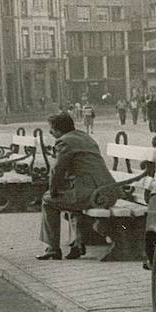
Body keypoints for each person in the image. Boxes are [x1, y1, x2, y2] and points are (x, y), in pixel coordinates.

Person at [36, 112, 114, 261]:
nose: (50, 132)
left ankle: (53, 248)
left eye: (51, 129)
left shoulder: (64, 142)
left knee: (48, 201)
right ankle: (77, 243)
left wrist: (52, 190)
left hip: (93, 193)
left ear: (58, 130)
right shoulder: (84, 136)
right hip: (107, 191)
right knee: (71, 201)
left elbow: (57, 170)